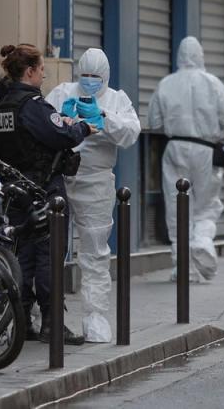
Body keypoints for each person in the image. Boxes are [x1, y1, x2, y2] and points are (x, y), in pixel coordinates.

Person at [0, 44, 94, 344]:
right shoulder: (31, 105)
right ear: (30, 71)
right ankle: (52, 323)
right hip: (42, 187)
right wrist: (82, 128)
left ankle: (22, 322)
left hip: (13, 189)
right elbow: (60, 134)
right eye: (42, 69)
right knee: (49, 254)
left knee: (22, 254)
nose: (44, 75)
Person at [45, 48, 141, 342]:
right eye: (85, 75)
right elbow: (42, 125)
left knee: (95, 251)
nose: (89, 82)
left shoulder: (116, 99)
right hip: (60, 175)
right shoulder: (62, 93)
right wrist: (65, 121)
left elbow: (131, 133)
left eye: (95, 77)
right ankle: (45, 314)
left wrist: (103, 117)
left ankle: (95, 316)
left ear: (106, 77)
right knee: (48, 248)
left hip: (96, 178)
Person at [148, 37, 224, 282]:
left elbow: (154, 121)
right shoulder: (213, 83)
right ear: (201, 55)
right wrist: (215, 130)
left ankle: (183, 267)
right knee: (207, 204)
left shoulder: (166, 83)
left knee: (176, 206)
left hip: (174, 146)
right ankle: (202, 241)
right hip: (206, 149)